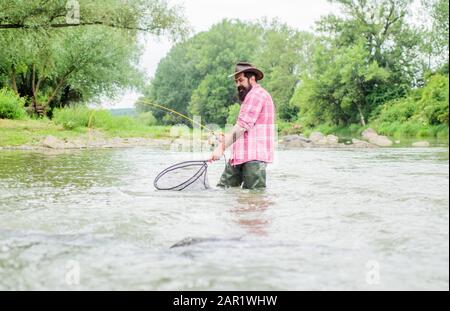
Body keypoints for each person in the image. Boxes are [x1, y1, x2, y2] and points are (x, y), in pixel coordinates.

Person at [209, 62, 275, 189]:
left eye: (241, 80)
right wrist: (226, 138)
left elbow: (241, 126)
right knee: (224, 190)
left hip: (253, 159)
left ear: (252, 79)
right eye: (236, 81)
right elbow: (245, 128)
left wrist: (220, 148)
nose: (238, 84)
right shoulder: (251, 96)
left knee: (254, 199)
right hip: (239, 156)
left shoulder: (256, 95)